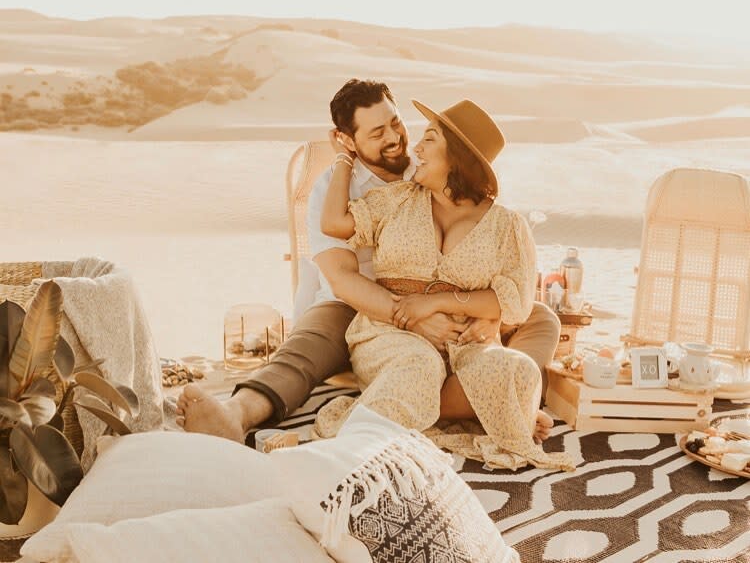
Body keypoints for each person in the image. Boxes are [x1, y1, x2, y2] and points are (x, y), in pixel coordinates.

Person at [176, 81, 558, 446]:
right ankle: (236, 413)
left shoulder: (425, 171)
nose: (395, 138)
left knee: (540, 317)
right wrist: (415, 315)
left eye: (395, 123)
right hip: (358, 302)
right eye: (376, 134)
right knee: (308, 347)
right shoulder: (333, 189)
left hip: (450, 309)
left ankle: (507, 400)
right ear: (349, 140)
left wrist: (487, 314)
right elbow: (343, 278)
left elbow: (497, 263)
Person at [314, 97, 573, 471]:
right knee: (420, 366)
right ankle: (358, 447)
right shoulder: (397, 200)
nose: (416, 148)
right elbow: (334, 223)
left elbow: (514, 304)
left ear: (458, 157)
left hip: (464, 346)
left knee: (519, 370)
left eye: (430, 140)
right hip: (390, 336)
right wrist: (344, 157)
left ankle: (430, 412)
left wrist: (439, 303)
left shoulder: (507, 226)